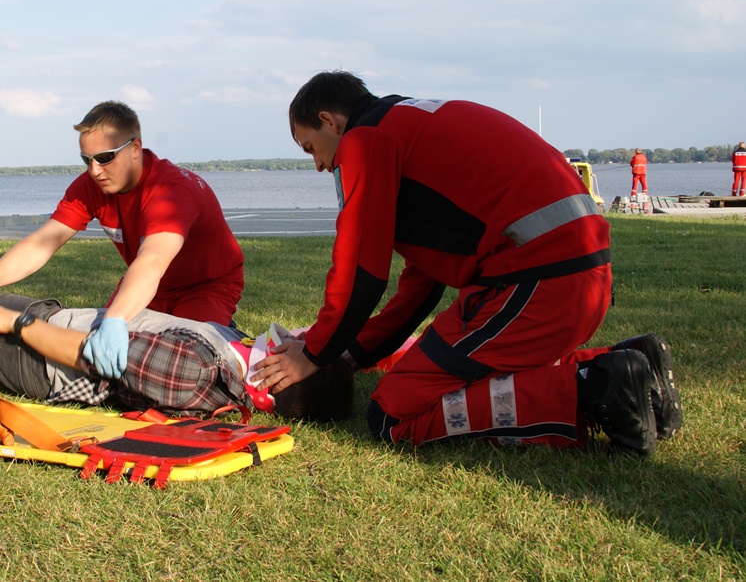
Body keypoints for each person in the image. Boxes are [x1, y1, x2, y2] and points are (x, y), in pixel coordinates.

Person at [253, 71, 682, 456]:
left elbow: (359, 271)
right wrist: (350, 354)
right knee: (451, 377)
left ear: (330, 121)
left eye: (312, 148)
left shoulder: (366, 140)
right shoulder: (407, 124)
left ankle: (597, 386)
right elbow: (422, 283)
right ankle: (630, 363)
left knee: (392, 414)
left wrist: (313, 352)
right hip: (578, 276)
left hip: (537, 283)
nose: (319, 165)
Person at [0, 101, 244, 380]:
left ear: (135, 148)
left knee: (185, 360)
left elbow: (153, 259)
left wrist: (116, 320)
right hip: (149, 284)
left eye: (104, 158)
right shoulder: (91, 186)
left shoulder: (172, 191)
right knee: (96, 351)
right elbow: (44, 241)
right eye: (86, 160)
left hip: (206, 286)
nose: (94, 171)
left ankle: (223, 330)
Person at [0, 284, 352, 421]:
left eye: (307, 350)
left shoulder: (197, 371)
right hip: (54, 331)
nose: (304, 337)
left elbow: (93, 357)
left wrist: (17, 320)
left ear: (279, 376)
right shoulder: (233, 357)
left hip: (46, 361)